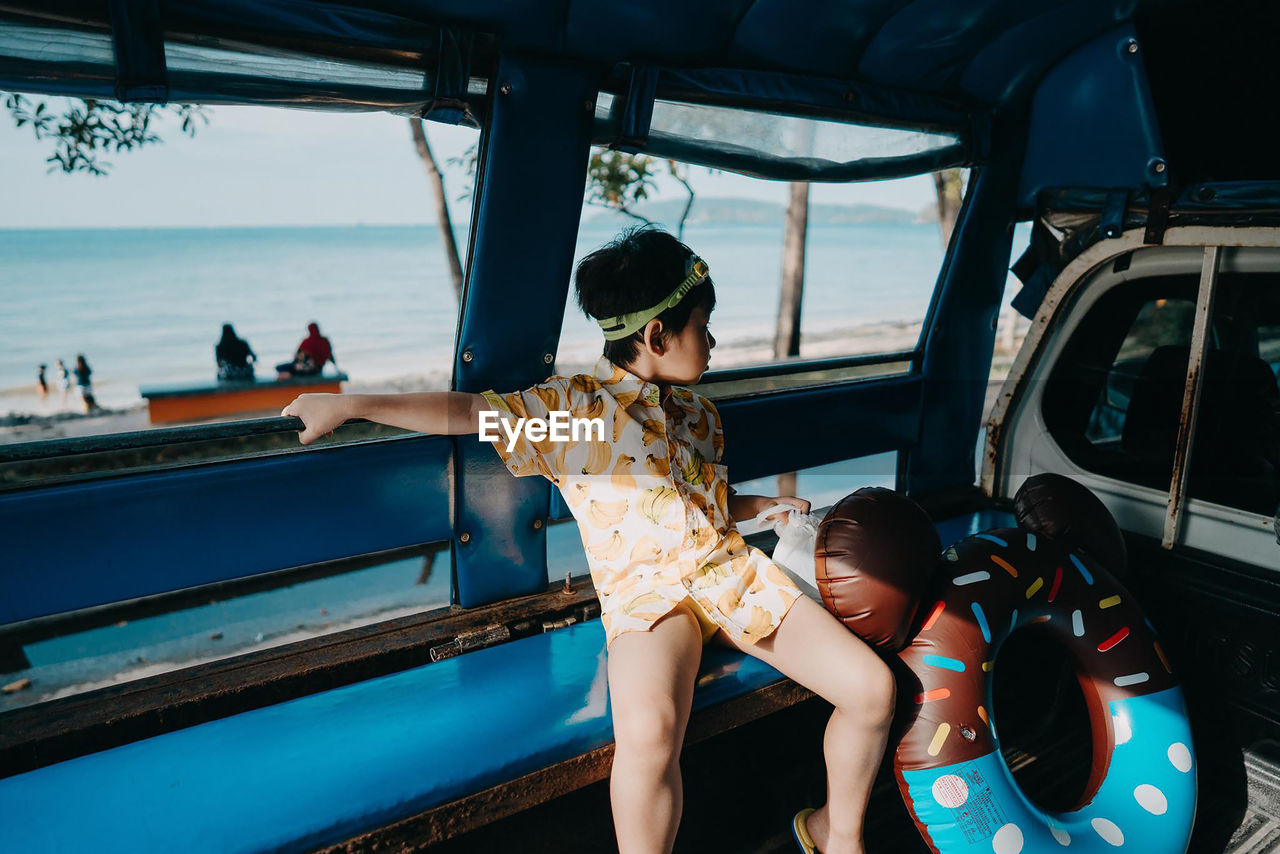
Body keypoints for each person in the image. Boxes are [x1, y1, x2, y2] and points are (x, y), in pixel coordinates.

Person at [282, 229, 894, 854]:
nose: (711, 342)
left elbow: (696, 507)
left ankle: (834, 833)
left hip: (731, 577)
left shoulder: (698, 416)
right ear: (657, 336)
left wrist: (760, 507)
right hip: (649, 601)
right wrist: (348, 403)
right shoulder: (572, 412)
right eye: (703, 327)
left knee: (873, 690)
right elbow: (468, 414)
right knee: (651, 731)